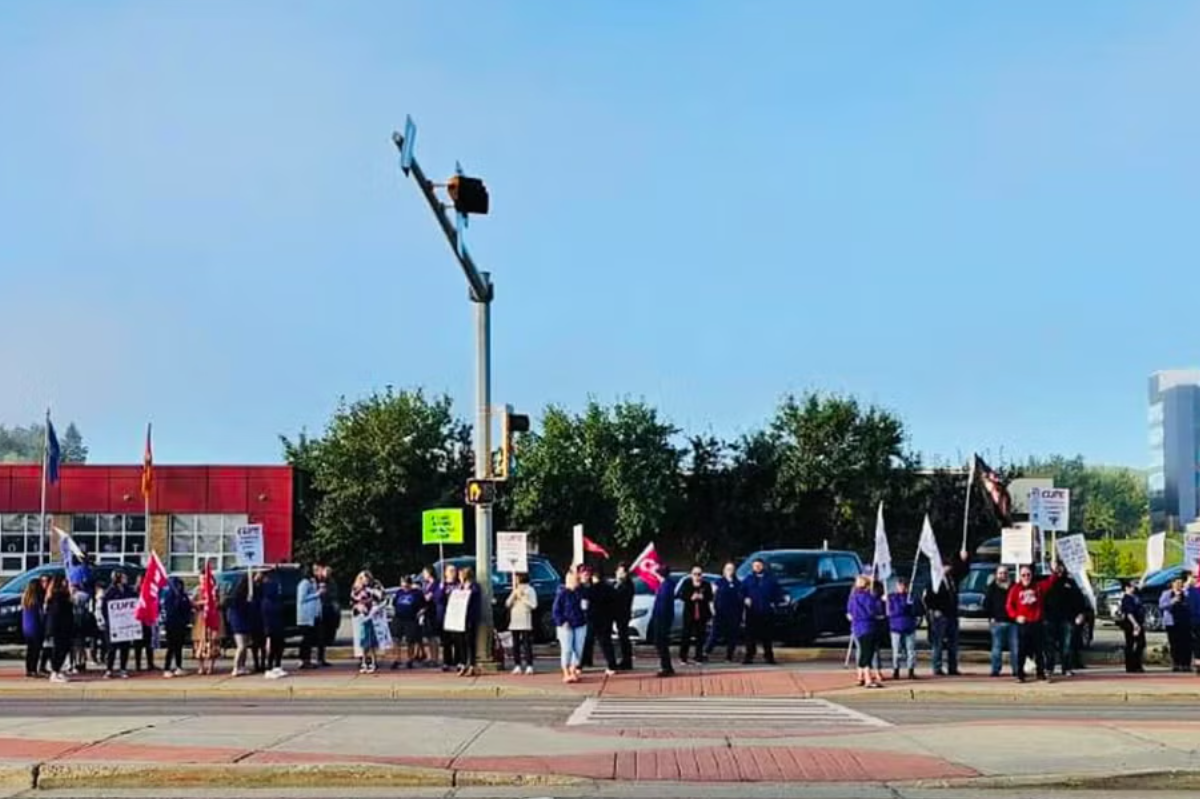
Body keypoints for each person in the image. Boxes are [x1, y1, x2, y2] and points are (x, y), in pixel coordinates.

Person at [1006, 565, 1059, 683]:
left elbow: (1050, 582)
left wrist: (1054, 570)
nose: (1026, 577)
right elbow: (1009, 605)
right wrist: (1016, 616)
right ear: (1020, 576)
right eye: (1023, 575)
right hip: (1023, 624)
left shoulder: (1038, 587)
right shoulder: (1015, 589)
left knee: (1039, 650)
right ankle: (1020, 674)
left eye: (1028, 575)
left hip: (1036, 623)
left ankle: (1040, 674)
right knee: (1022, 651)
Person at [923, 550, 969, 676]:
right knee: (938, 643)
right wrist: (934, 610)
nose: (949, 568)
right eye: (946, 566)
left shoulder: (952, 578)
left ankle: (952, 667)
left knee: (953, 643)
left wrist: (964, 560)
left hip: (952, 614)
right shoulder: (934, 581)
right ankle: (937, 667)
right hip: (940, 615)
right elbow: (927, 599)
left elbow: (963, 572)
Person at [1043, 561, 1086, 678]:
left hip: (1067, 619)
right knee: (1049, 646)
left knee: (1066, 645)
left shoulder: (1070, 583)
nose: (1059, 570)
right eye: (1056, 568)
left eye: (1061, 567)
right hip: (1049, 619)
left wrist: (1081, 613)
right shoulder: (1047, 582)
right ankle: (1049, 668)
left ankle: (1066, 667)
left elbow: (1080, 600)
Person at [742, 558, 782, 665]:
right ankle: (749, 656)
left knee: (767, 636)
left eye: (759, 565)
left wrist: (775, 603)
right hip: (752, 612)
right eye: (755, 566)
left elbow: (778, 593)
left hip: (766, 612)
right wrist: (745, 598)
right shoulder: (748, 579)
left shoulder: (770, 579)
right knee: (750, 636)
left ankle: (769, 657)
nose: (757, 567)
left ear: (763, 566)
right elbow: (741, 592)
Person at [553, 567, 589, 683]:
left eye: (576, 579)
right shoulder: (562, 593)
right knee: (567, 649)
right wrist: (562, 621)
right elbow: (556, 611)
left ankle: (574, 670)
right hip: (566, 626)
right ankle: (566, 671)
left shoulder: (581, 591)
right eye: (573, 579)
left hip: (580, 624)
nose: (575, 582)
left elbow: (586, 602)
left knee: (578, 649)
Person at [848, 575, 885, 688]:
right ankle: (868, 679)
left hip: (857, 627)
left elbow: (850, 612)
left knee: (863, 652)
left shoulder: (853, 598)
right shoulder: (868, 598)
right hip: (868, 626)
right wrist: (881, 601)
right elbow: (876, 611)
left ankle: (863, 676)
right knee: (867, 654)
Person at [707, 562, 743, 663]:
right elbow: (710, 597)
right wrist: (712, 609)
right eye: (728, 569)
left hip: (734, 613)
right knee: (714, 634)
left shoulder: (738, 583)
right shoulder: (718, 582)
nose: (730, 571)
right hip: (720, 613)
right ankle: (706, 652)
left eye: (731, 569)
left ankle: (729, 656)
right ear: (724, 570)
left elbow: (741, 597)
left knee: (732, 635)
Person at [586, 565, 619, 675]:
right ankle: (612, 665)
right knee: (606, 643)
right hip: (607, 619)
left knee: (587, 641)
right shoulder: (610, 589)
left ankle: (583, 663)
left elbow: (586, 602)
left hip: (593, 619)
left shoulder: (591, 589)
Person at [351, 570, 385, 674]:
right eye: (362, 578)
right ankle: (364, 662)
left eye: (366, 578)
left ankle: (373, 663)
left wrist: (373, 605)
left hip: (372, 617)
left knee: (372, 642)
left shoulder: (374, 587)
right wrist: (358, 607)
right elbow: (353, 601)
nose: (364, 580)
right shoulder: (356, 589)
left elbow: (380, 598)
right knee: (363, 642)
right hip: (361, 618)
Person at [678, 566, 714, 665]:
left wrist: (703, 597)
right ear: (691, 575)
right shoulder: (687, 583)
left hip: (702, 614)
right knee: (686, 636)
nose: (697, 576)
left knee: (700, 636)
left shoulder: (706, 584)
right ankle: (683, 657)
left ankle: (698, 657)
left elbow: (710, 596)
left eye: (699, 574)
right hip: (690, 613)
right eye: (695, 574)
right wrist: (690, 597)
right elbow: (681, 595)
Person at [102, 571, 135, 679]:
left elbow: (134, 601)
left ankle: (123, 669)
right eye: (124, 577)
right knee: (111, 648)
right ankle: (109, 669)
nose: (126, 579)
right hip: (113, 625)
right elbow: (104, 608)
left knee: (125, 648)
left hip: (125, 624)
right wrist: (110, 620)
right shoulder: (110, 591)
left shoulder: (129, 590)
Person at [887, 576, 921, 680]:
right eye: (900, 585)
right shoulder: (892, 597)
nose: (902, 588)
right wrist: (904, 607)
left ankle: (911, 670)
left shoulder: (911, 597)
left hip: (909, 627)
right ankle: (896, 670)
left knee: (910, 650)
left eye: (904, 586)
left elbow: (917, 611)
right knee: (896, 651)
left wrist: (911, 606)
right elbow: (892, 612)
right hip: (896, 628)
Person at [192, 563, 222, 676]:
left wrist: (213, 603)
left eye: (204, 578)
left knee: (213, 643)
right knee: (199, 643)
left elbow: (221, 602)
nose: (202, 580)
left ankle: (211, 667)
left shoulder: (215, 590)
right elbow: (192, 603)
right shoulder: (197, 590)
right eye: (201, 578)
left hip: (212, 618)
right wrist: (201, 603)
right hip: (200, 619)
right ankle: (201, 667)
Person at [390, 575, 426, 670]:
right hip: (398, 618)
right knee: (396, 638)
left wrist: (420, 613)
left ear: (410, 584)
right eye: (402, 583)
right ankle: (397, 659)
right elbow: (394, 604)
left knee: (410, 640)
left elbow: (424, 605)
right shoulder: (399, 592)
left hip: (411, 619)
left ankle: (410, 659)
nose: (404, 585)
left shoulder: (417, 593)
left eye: (406, 583)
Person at [451, 567, 482, 676]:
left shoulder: (474, 586)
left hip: (470, 618)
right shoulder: (459, 587)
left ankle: (472, 664)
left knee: (470, 642)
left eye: (460, 575)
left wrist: (465, 590)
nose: (459, 577)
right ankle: (463, 663)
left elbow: (472, 595)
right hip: (460, 618)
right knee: (461, 641)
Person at [985, 565, 1015, 678]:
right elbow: (986, 605)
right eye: (1000, 573)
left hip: (1012, 622)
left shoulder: (1013, 587)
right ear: (996, 574)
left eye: (1005, 573)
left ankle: (1016, 670)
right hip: (997, 622)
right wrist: (990, 617)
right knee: (997, 648)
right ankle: (995, 670)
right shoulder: (991, 587)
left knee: (1015, 648)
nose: (1003, 575)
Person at [506, 572, 538, 674]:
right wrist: (514, 595)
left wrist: (522, 598)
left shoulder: (530, 590)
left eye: (516, 579)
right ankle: (517, 665)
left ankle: (529, 665)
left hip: (525, 621)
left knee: (526, 644)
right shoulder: (515, 590)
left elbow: (533, 605)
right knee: (515, 644)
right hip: (514, 621)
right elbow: (507, 604)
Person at [45, 574, 75, 684]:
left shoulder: (61, 595)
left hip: (63, 627)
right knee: (59, 649)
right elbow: (58, 613)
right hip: (59, 627)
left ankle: (57, 670)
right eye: (64, 581)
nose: (66, 583)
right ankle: (55, 671)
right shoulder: (58, 595)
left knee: (64, 648)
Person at [161, 576, 192, 677]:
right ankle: (167, 668)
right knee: (171, 647)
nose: (180, 586)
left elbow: (187, 606)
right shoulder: (169, 595)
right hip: (171, 624)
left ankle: (179, 666)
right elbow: (170, 610)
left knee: (179, 646)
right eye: (177, 584)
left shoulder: (183, 595)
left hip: (181, 624)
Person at [1160, 576, 1192, 673]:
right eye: (1177, 582)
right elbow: (1161, 606)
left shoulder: (1186, 593)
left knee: (1186, 644)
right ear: (1173, 583)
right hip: (1172, 622)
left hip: (1184, 622)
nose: (1179, 585)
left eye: (1181, 583)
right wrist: (1172, 601)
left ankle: (1185, 664)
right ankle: (1176, 664)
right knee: (1174, 644)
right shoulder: (1166, 593)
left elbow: (1190, 604)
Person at [261, 569, 288, 679]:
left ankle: (277, 666)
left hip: (279, 627)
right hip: (271, 629)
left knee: (279, 647)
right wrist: (267, 635)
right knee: (271, 649)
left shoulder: (277, 600)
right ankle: (269, 668)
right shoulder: (266, 602)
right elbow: (266, 619)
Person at [226, 574, 254, 677]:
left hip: (244, 621)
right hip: (238, 622)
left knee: (245, 646)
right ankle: (235, 667)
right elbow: (239, 609)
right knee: (241, 646)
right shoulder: (236, 597)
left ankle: (242, 666)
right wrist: (248, 602)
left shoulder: (242, 596)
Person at [651, 565, 676, 678]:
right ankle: (667, 665)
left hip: (662, 619)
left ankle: (665, 666)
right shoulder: (665, 585)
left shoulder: (666, 586)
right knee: (660, 643)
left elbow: (663, 606)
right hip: (661, 617)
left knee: (661, 642)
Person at [433, 564, 460, 671]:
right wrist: (441, 588)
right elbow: (437, 599)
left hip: (456, 615)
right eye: (450, 571)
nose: (452, 573)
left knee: (457, 640)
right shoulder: (442, 585)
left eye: (454, 570)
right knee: (446, 640)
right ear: (445, 573)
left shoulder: (459, 584)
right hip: (445, 615)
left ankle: (458, 660)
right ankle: (446, 662)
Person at [296, 564, 323, 671]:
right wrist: (317, 594)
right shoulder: (304, 583)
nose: (317, 572)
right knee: (306, 640)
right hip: (305, 616)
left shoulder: (311, 582)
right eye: (315, 570)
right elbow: (302, 598)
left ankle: (307, 660)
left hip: (313, 616)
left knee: (310, 639)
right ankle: (303, 660)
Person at [1117, 580, 1146, 674]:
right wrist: (1135, 624)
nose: (1134, 588)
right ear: (1127, 588)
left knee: (1141, 643)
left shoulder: (1135, 597)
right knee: (1131, 644)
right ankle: (1131, 665)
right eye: (1132, 586)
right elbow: (1129, 613)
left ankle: (1137, 664)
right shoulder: (1126, 598)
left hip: (1139, 622)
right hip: (1131, 624)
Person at [611, 563, 636, 670]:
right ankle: (621, 659)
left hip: (623, 614)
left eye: (623, 572)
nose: (620, 574)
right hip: (614, 614)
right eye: (619, 572)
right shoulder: (615, 583)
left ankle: (627, 661)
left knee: (624, 638)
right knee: (619, 638)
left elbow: (620, 596)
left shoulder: (628, 585)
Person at [21, 579, 45, 679]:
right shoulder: (37, 599)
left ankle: (29, 669)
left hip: (27, 627)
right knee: (36, 650)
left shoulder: (26, 599)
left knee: (30, 649)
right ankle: (33, 669)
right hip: (36, 627)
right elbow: (41, 614)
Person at [316, 564, 338, 668]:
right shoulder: (316, 582)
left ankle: (322, 658)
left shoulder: (331, 582)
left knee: (325, 636)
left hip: (328, 610)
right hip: (319, 610)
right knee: (319, 636)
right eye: (326, 572)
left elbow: (334, 593)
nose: (327, 574)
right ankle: (319, 658)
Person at [419, 566, 439, 667]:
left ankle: (435, 658)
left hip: (433, 612)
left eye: (424, 573)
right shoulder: (426, 584)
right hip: (426, 612)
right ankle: (431, 657)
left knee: (433, 636)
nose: (423, 575)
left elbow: (428, 598)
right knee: (428, 636)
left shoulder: (435, 584)